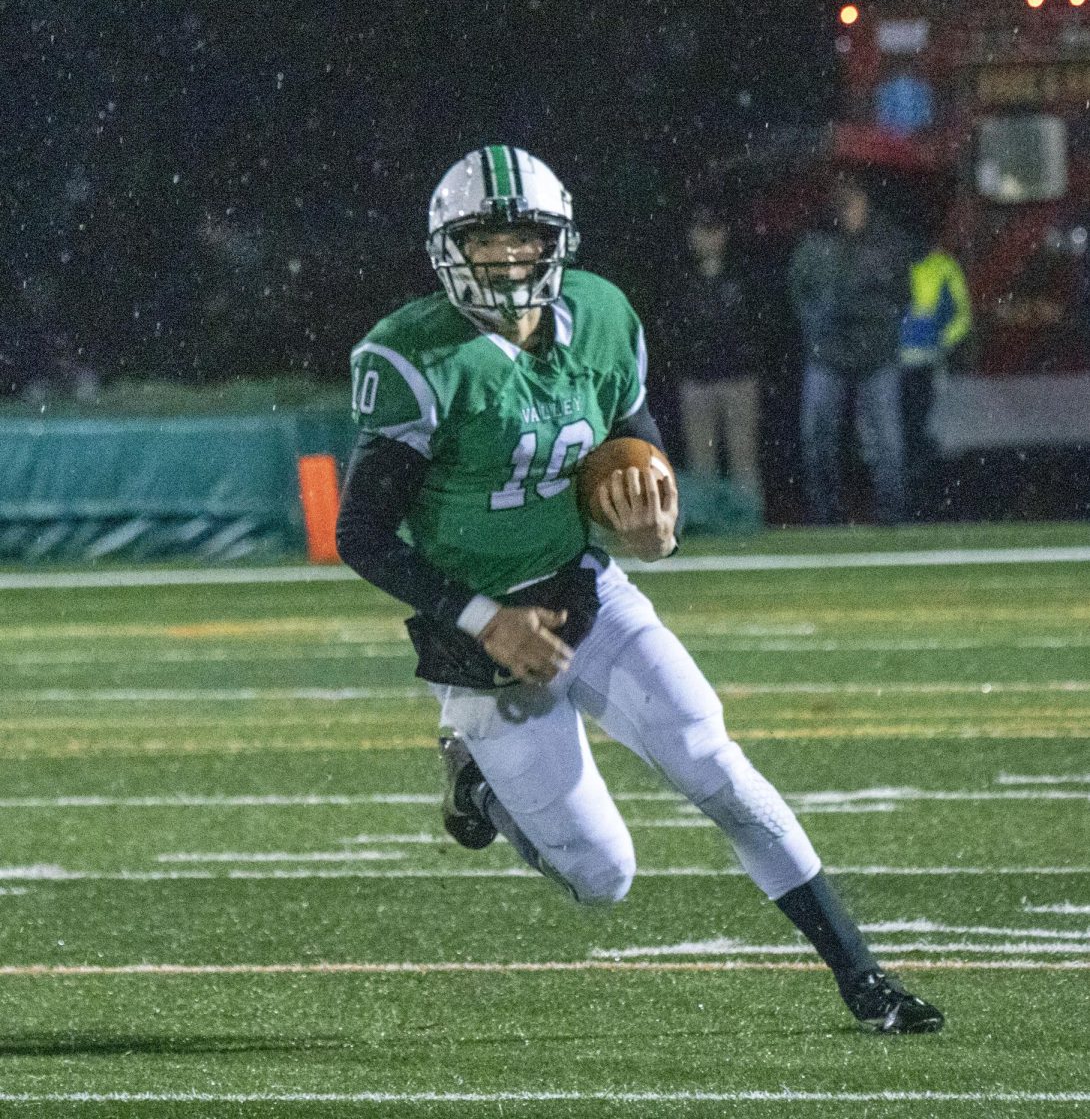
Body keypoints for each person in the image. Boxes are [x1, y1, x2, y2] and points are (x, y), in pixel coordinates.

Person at [336, 145, 943, 1034]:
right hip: (480, 641)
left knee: (716, 766)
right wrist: (484, 620)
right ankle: (478, 784)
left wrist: (658, 525)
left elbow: (636, 443)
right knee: (604, 877)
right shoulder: (414, 355)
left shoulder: (602, 315)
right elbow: (359, 535)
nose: (507, 262)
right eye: (486, 243)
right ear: (446, 249)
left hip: (589, 589)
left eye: (524, 242)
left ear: (559, 243)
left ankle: (864, 979)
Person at [790, 173, 914, 525]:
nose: (847, 211)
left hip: (875, 355)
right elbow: (800, 293)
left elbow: (900, 297)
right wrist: (817, 328)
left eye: (853, 202)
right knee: (817, 437)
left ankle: (893, 516)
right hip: (827, 354)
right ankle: (824, 515)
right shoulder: (816, 244)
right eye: (841, 203)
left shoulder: (888, 242)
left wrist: (867, 318)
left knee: (886, 441)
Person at [672, 206, 762, 499]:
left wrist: (749, 359)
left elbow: (760, 323)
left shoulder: (743, 275)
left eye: (712, 231)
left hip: (738, 378)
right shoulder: (682, 279)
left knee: (743, 459)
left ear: (723, 234)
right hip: (697, 380)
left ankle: (747, 520)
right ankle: (708, 523)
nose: (706, 238)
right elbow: (672, 329)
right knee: (701, 462)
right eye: (700, 231)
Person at [901, 243, 972, 519]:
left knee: (925, 430)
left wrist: (939, 343)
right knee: (901, 434)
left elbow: (961, 315)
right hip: (893, 366)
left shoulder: (943, 265)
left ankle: (928, 503)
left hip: (928, 364)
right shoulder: (897, 261)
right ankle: (907, 504)